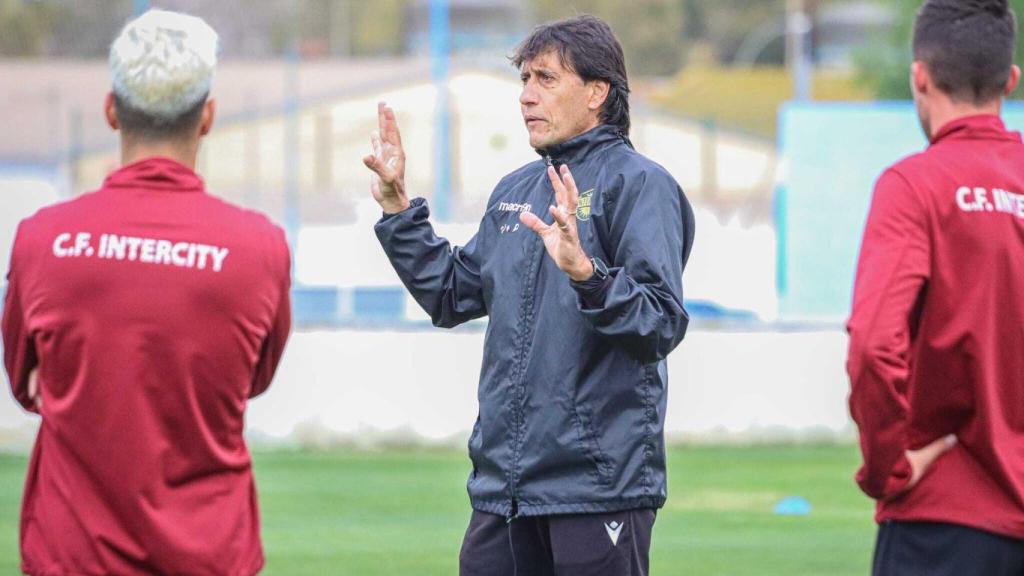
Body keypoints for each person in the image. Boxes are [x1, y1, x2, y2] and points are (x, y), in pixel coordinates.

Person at [363, 14, 694, 576]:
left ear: (596, 92)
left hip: (596, 489)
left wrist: (588, 274)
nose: (526, 96)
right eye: (523, 80)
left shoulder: (639, 184)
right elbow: (449, 295)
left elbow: (660, 323)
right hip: (504, 489)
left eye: (545, 78)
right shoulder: (518, 190)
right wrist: (398, 210)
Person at [2, 9, 291, 575]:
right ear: (207, 117)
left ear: (111, 110)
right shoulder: (260, 247)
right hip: (210, 554)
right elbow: (254, 380)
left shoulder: (40, 239)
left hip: (71, 556)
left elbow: (23, 382)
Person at [847, 0, 1024, 574]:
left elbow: (874, 346)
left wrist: (885, 470)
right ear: (1010, 80)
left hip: (944, 522)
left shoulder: (913, 186)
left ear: (919, 76)